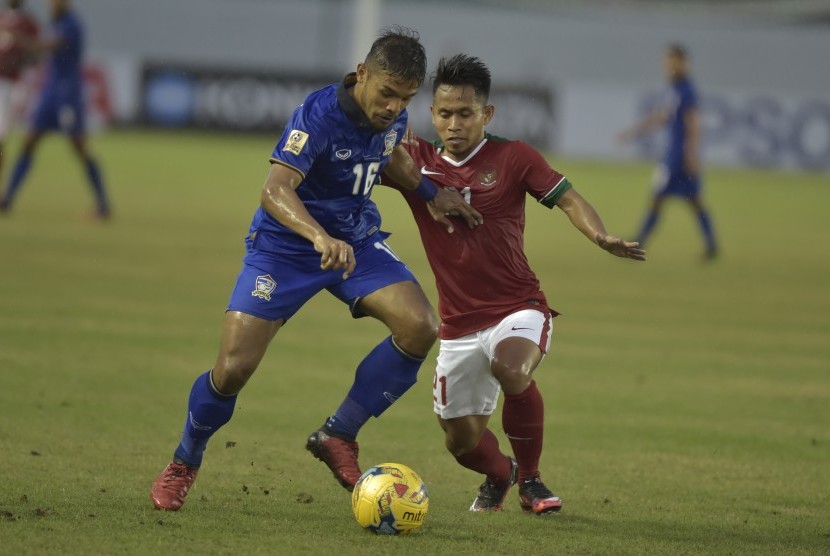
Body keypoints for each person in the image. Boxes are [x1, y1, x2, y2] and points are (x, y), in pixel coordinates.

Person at [149, 27, 482, 512]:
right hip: (286, 249)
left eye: (404, 98)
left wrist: (431, 194)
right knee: (234, 368)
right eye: (386, 93)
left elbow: (390, 156)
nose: (393, 107)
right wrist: (318, 236)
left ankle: (338, 434)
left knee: (420, 326)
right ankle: (184, 460)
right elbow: (275, 188)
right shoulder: (319, 115)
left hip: (355, 243)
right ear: (361, 74)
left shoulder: (393, 116)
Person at [385, 54, 645, 515]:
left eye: (465, 113)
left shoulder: (514, 157)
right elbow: (359, 155)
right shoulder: (415, 164)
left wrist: (600, 235)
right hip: (458, 325)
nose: (454, 123)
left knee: (512, 369)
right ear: (431, 114)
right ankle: (500, 473)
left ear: (487, 114)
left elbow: (569, 200)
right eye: (444, 113)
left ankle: (531, 481)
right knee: (460, 440)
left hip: (517, 307)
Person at [0, 0, 109, 218]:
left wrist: (15, 37)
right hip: (49, 93)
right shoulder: (55, 22)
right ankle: (7, 200)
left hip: (68, 95)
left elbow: (46, 46)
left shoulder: (72, 24)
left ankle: (103, 204)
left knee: (79, 146)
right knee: (29, 142)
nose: (50, 4)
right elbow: (41, 52)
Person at [618, 43, 716, 259]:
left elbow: (692, 122)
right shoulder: (675, 88)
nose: (668, 65)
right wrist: (634, 132)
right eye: (667, 61)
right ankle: (711, 245)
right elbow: (663, 117)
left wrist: (691, 153)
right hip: (677, 154)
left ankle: (639, 241)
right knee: (694, 200)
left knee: (657, 197)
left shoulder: (687, 89)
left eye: (672, 61)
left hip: (677, 157)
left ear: (682, 62)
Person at [0, 0, 38, 179]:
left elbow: (36, 56)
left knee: (1, 137)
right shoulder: (1, 16)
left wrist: (15, 63)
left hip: (11, 85)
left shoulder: (29, 23)